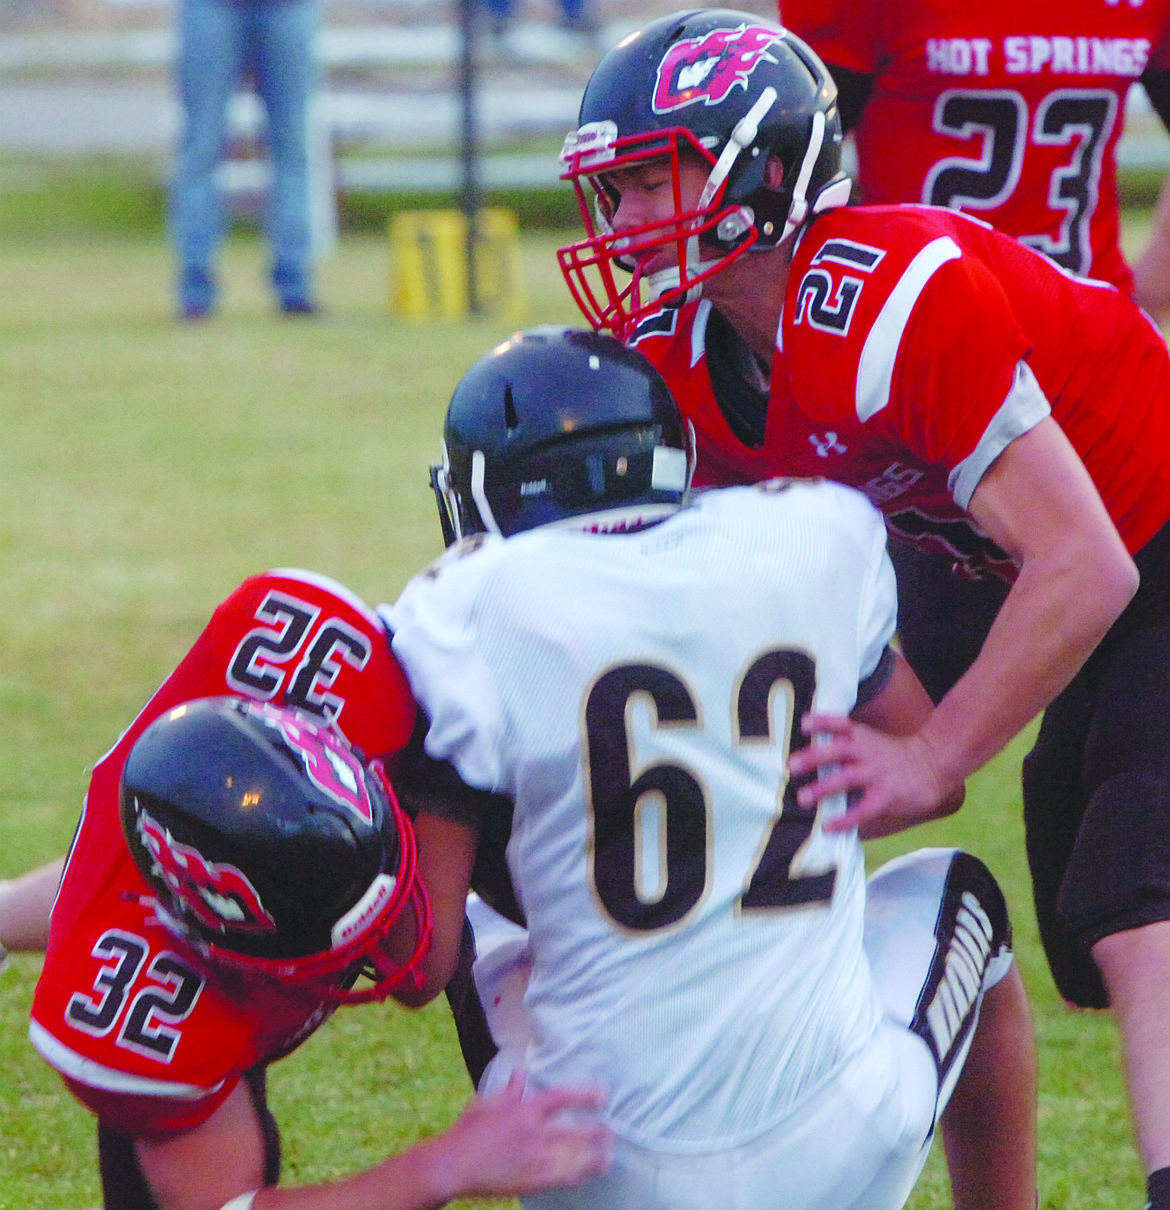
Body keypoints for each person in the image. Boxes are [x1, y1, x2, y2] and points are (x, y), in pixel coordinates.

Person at [555, 11, 1170, 1205]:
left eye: (645, 181)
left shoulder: (889, 294)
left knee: (1135, 883)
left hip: (1141, 529)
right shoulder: (682, 347)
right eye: (611, 189)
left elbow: (1088, 566)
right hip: (981, 550)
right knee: (783, 766)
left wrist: (937, 749)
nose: (620, 223)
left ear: (760, 172)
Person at [383, 326, 1037, 1210]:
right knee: (963, 892)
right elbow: (925, 767)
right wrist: (741, 796)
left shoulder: (465, 609)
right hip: (837, 1140)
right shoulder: (811, 535)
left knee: (456, 911)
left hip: (595, 1168)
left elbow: (421, 966)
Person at [29, 571, 611, 1210]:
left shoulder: (356, 678)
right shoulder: (148, 1006)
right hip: (162, 948)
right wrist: (443, 1165)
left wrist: (449, 782)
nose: (384, 936)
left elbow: (420, 965)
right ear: (214, 942)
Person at [778, 0, 1170, 701]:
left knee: (1122, 697)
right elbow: (795, 172)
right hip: (930, 366)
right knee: (952, 680)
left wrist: (1149, 287)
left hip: (1088, 366)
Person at [169, 0, 321, 319]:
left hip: (288, 7)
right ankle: (194, 290)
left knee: (292, 151)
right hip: (212, 7)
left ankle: (296, 288)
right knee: (200, 149)